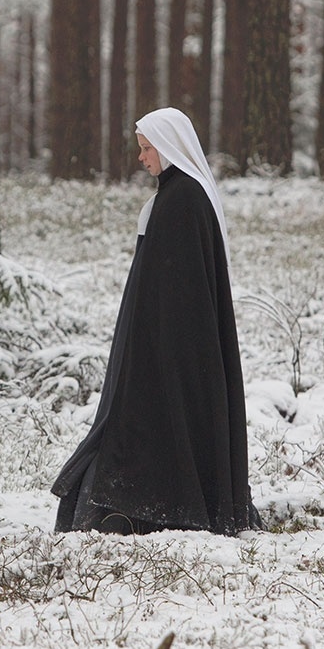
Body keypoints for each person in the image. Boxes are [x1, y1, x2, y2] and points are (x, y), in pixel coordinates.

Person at [52, 107, 256, 535]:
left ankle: (144, 507)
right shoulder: (179, 195)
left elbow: (177, 287)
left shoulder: (182, 199)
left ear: (169, 147)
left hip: (169, 341)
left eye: (148, 148)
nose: (142, 157)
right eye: (141, 148)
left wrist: (152, 345)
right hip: (167, 338)